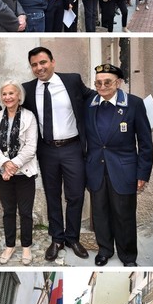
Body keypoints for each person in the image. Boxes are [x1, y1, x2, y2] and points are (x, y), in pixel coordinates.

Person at [22, 47, 94, 262]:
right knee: (52, 194)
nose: (39, 68)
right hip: (47, 149)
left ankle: (72, 238)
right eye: (34, 64)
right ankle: (57, 238)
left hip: (73, 147)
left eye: (43, 62)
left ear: (53, 62)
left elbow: (93, 97)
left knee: (75, 195)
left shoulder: (72, 81)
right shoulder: (27, 89)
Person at [85, 64, 153, 267]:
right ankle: (105, 250)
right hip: (96, 168)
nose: (102, 86)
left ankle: (128, 256)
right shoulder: (89, 104)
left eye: (107, 82)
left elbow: (145, 142)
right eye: (98, 82)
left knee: (124, 216)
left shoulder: (134, 104)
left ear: (118, 82)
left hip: (124, 170)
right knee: (100, 213)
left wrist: (143, 173)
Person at [0, 80, 38, 265]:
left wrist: (13, 165)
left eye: (11, 93)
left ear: (19, 96)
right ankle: (10, 245)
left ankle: (26, 247)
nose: (8, 97)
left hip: (24, 172)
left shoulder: (29, 117)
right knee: (8, 211)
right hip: (3, 173)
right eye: (5, 94)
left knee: (25, 212)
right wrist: (4, 164)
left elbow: (31, 146)